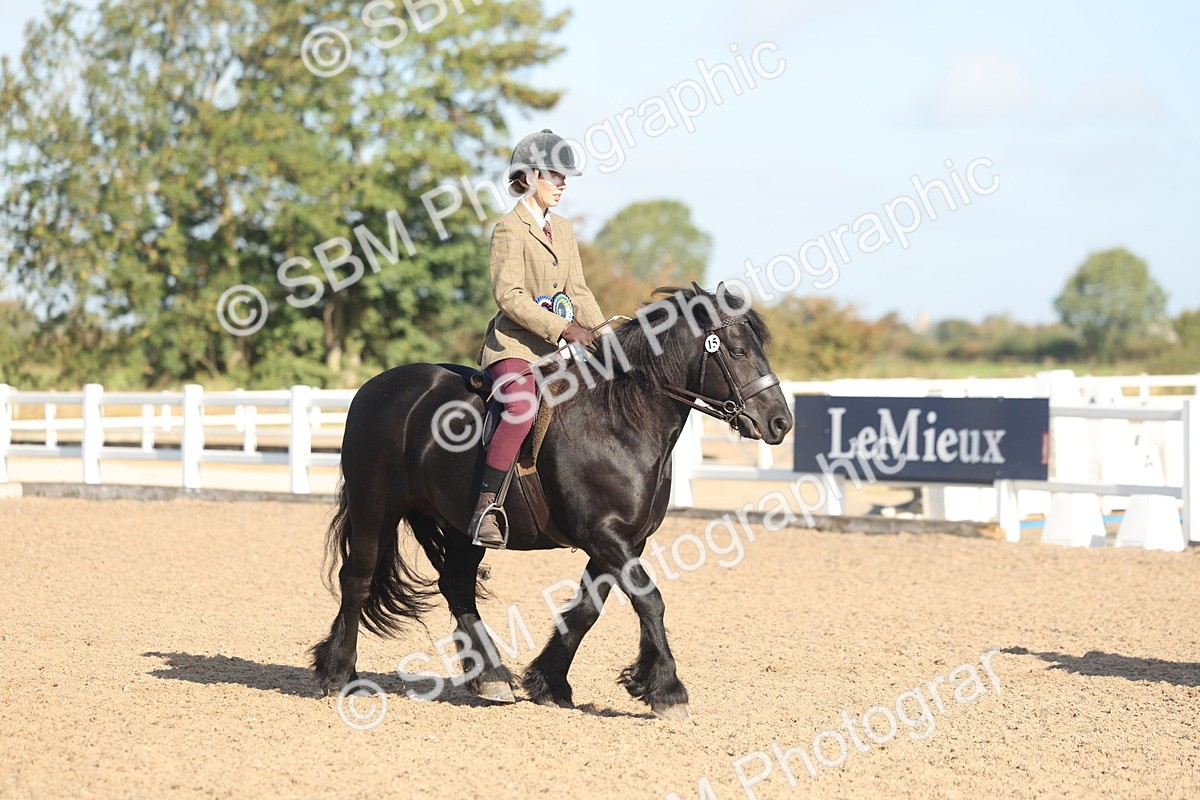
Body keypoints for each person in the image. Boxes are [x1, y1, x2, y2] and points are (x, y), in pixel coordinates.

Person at [468, 129, 611, 548]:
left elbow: (578, 291)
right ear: (530, 176)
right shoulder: (508, 230)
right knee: (521, 406)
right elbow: (508, 295)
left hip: (555, 351)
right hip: (514, 346)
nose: (563, 184)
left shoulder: (563, 230)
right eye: (555, 175)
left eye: (566, 177)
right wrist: (564, 328)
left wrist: (606, 339)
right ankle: (486, 506)